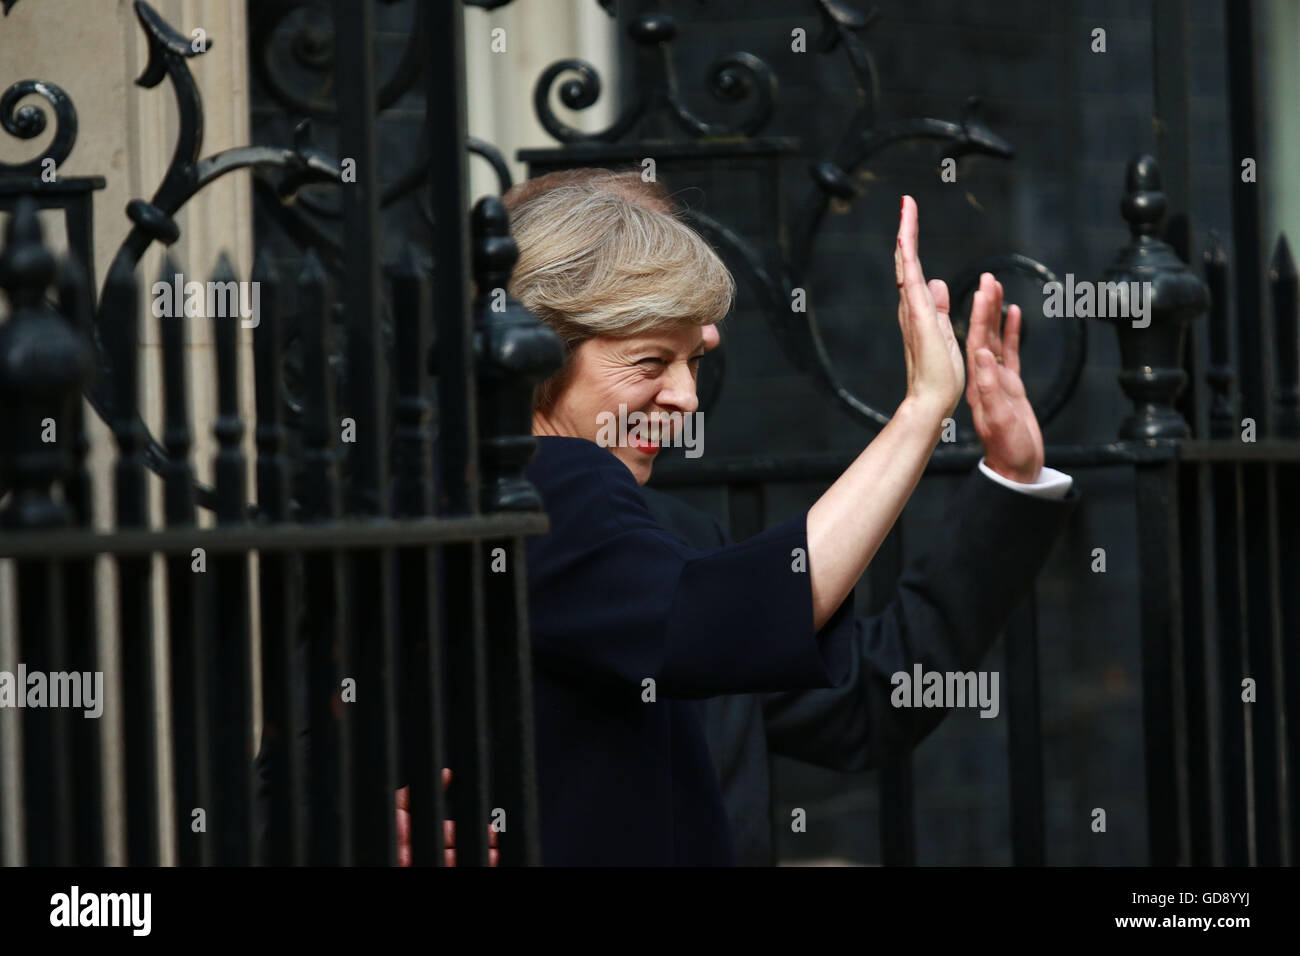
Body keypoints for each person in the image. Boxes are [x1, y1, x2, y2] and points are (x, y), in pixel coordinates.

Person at [503, 167, 1074, 865]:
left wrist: (1011, 483)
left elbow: (866, 701)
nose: (685, 398)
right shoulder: (532, 493)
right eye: (650, 359)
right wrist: (922, 409)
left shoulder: (677, 542)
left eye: (693, 359)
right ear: (540, 352)